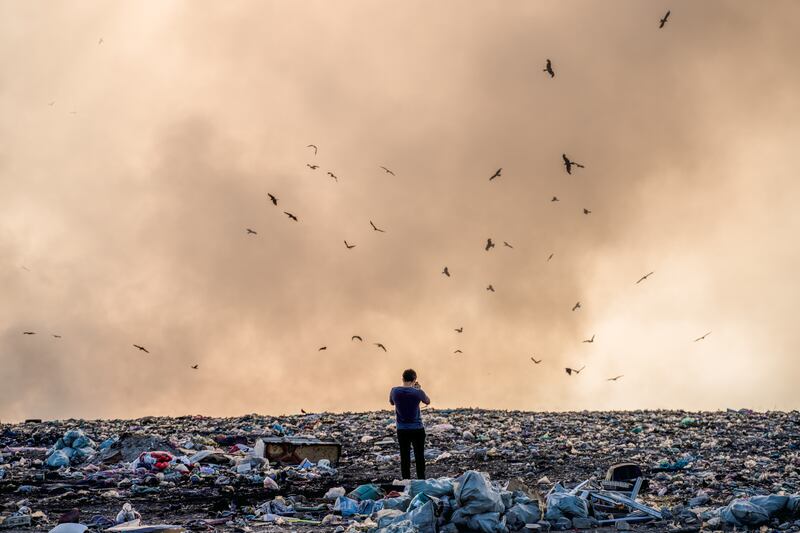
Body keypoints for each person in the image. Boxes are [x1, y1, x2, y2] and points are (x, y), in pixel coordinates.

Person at [389, 368, 431, 480]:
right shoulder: (418, 392)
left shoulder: (394, 391)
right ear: (414, 379)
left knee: (405, 456)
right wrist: (418, 389)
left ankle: (406, 480)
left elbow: (392, 402)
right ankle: (421, 479)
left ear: (402, 378)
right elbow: (427, 401)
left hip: (402, 429)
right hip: (417, 428)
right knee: (419, 456)